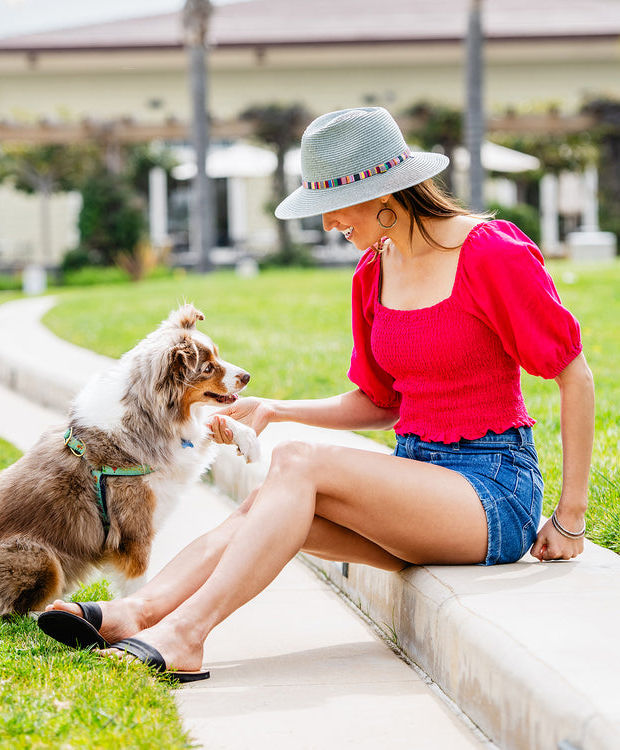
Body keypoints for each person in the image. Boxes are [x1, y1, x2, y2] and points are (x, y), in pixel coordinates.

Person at [38, 107, 595, 681]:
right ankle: (136, 612)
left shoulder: (491, 253)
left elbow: (572, 374)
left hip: (494, 491)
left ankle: (185, 635)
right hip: (418, 487)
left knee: (297, 465)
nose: (329, 224)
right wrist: (276, 409)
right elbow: (385, 403)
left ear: (381, 193)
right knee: (270, 508)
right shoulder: (373, 274)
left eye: (332, 206)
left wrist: (570, 518)